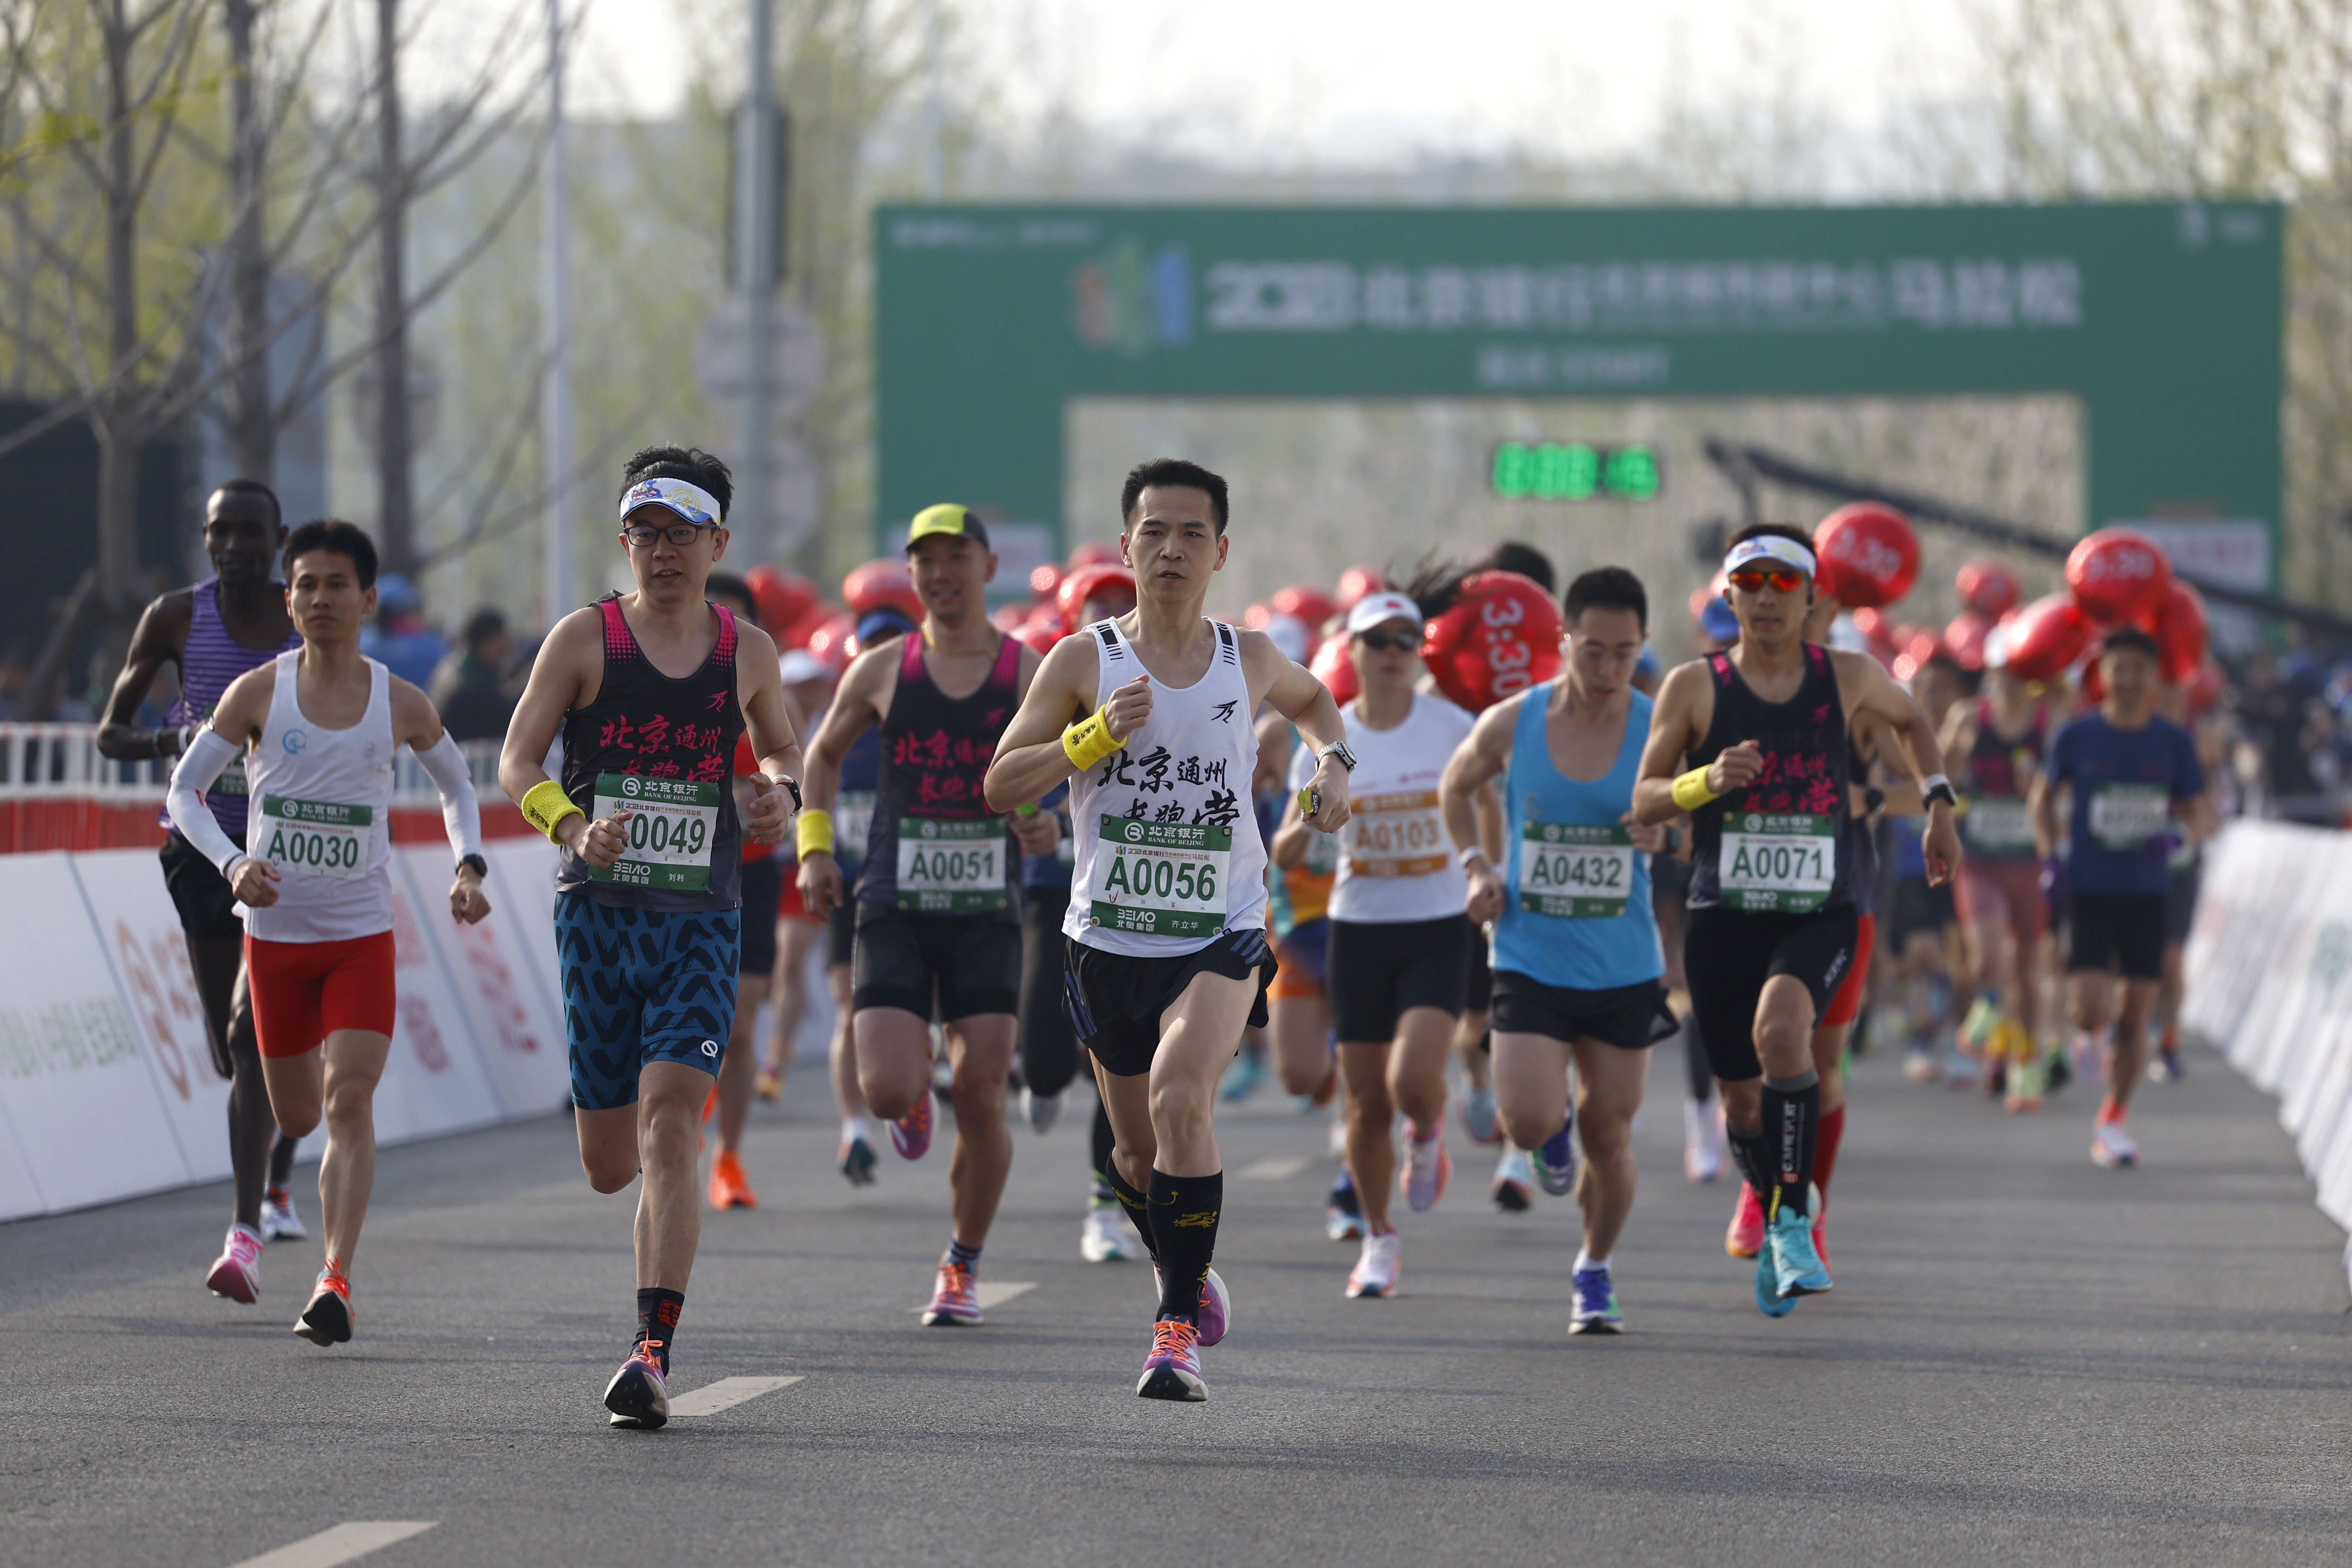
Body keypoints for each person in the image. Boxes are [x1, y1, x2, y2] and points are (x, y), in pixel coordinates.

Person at [984, 457, 1352, 1401]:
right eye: (1154, 531)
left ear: (1220, 551)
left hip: (1218, 926)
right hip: (1105, 936)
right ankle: (1183, 1265)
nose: (1172, 548)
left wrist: (1334, 765)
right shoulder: (1083, 660)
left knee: (1182, 1101)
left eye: (1191, 533)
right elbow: (1000, 783)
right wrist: (1090, 738)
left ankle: (1173, 1330)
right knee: (1135, 1155)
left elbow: (1316, 704)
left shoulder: (1250, 657)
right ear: (1125, 547)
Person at [500, 447, 802, 1428]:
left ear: (719, 541)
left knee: (672, 1123)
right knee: (608, 1163)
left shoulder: (743, 650)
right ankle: (646, 1293)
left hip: (699, 922)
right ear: (624, 539)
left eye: (682, 533)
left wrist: (779, 797)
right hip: (597, 915)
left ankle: (649, 1352)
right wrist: (570, 823)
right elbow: (515, 757)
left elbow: (786, 745)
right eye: (646, 531)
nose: (662, 550)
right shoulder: (585, 639)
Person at [164, 519, 490, 1345]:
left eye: (336, 584)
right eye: (305, 584)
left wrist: (469, 865)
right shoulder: (258, 692)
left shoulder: (399, 700)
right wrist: (235, 863)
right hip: (276, 938)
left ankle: (334, 1280)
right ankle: (287, 1224)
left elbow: (456, 785)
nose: (319, 598)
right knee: (299, 1114)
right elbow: (183, 794)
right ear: (289, 598)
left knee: (349, 1101)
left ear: (368, 598)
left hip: (358, 935)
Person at [1635, 524, 1960, 1318]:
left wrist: (1939, 805)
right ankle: (1770, 1192)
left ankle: (1790, 1221)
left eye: (1785, 583)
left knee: (1788, 1037)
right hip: (1723, 912)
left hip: (1823, 909)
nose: (1768, 598)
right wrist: (1702, 781)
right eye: (1752, 583)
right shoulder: (1692, 686)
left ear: (1811, 596)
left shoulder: (1847, 676)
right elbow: (1643, 797)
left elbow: (1914, 723)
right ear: (1729, 596)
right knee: (1740, 1102)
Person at [796, 505, 1046, 1327]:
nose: (941, 574)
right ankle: (909, 1097)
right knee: (885, 1087)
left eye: (957, 557)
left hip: (986, 908)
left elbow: (1072, 765)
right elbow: (823, 753)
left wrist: (1049, 822)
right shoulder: (880, 668)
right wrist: (815, 847)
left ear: (986, 564)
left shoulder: (1026, 671)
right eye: (925, 561)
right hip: (894, 902)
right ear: (911, 575)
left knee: (982, 1093)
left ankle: (961, 1263)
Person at [1442, 567, 1673, 1334]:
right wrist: (1478, 865)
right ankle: (1547, 1137)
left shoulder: (1657, 726)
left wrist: (1663, 832)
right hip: (1529, 952)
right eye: (1594, 651)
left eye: (1625, 654)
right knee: (1531, 1118)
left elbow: (1697, 818)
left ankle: (1594, 1267)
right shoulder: (1516, 721)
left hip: (1622, 962)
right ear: (1563, 642)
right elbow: (1454, 785)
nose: (1608, 670)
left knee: (1610, 1134)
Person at [96, 479, 305, 1304]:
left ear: (277, 537)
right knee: (232, 1047)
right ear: (207, 537)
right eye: (222, 532)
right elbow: (111, 732)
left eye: (251, 533)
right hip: (198, 846)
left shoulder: (306, 612)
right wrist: (174, 737)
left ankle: (251, 1218)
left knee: (259, 1038)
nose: (235, 546)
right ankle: (274, 1174)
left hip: (288, 852)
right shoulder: (177, 617)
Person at [1271, 590, 1473, 1299]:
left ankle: (1428, 1128)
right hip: (1359, 925)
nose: (1390, 651)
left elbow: (1491, 801)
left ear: (1420, 649)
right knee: (1364, 1101)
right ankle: (1379, 1236)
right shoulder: (1331, 738)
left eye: (1403, 639)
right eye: (1375, 639)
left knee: (1412, 1080)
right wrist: (1303, 827)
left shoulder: (1454, 727)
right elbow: (1290, 841)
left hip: (1439, 924)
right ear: (1350, 650)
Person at [2029, 628, 2211, 1168]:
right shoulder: (2077, 737)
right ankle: (2088, 1033)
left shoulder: (2173, 742)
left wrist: (2177, 839)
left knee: (2135, 1014)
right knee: (2089, 1008)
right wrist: (2050, 856)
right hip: (2090, 886)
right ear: (2101, 676)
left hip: (2148, 892)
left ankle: (2112, 1119)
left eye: (2138, 669)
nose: (2128, 680)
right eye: (2117, 669)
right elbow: (2041, 799)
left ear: (2154, 677)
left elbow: (2203, 814)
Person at [700, 572, 784, 1211]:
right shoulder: (660, 685)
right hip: (676, 873)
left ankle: (728, 1157)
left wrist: (787, 801)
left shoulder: (766, 685)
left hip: (751, 870)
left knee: (741, 1020)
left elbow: (797, 761)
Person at [1944, 655, 2053, 1109]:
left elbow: (2067, 782)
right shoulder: (1969, 717)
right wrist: (1955, 753)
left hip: (2030, 861)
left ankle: (2025, 1065)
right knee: (1987, 957)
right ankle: (1987, 1008)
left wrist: (2045, 791)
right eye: (2001, 668)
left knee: (2026, 972)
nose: (2008, 677)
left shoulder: (2050, 721)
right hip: (1979, 859)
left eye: (2019, 669)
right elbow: (1936, 775)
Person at [427, 608, 518, 743]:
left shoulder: (454, 665)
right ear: (486, 642)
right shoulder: (472, 687)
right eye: (500, 641)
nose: (505, 649)